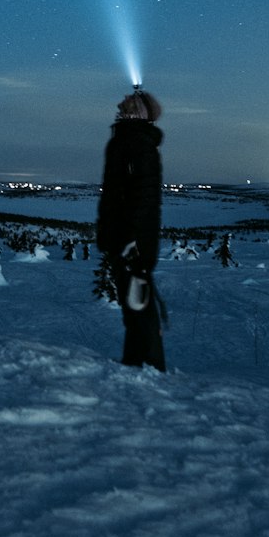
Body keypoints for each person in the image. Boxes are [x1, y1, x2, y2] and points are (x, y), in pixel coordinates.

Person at [96, 87, 166, 371]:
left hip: (132, 239)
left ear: (138, 110)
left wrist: (132, 239)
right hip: (124, 235)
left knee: (138, 301)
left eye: (127, 101)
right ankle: (136, 358)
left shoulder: (137, 143)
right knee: (131, 301)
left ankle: (148, 362)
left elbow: (144, 197)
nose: (119, 102)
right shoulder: (128, 140)